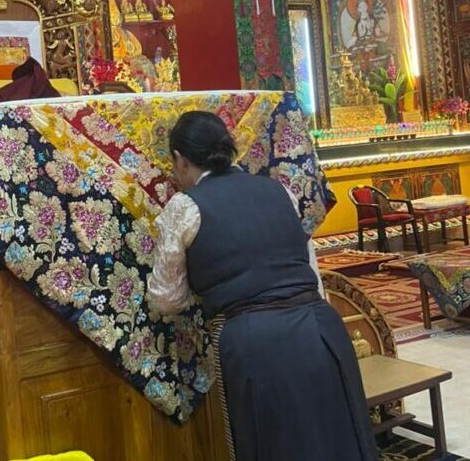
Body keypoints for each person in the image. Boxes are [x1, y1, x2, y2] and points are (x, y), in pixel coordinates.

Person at [147, 111, 377, 461]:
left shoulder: (185, 207)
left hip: (257, 342)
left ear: (179, 159)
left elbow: (165, 299)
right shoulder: (277, 189)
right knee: (338, 440)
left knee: (276, 447)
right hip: (321, 328)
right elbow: (308, 266)